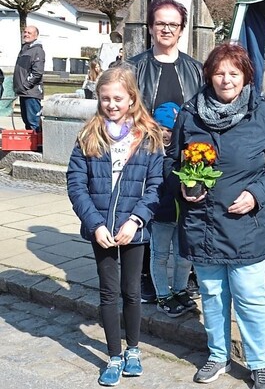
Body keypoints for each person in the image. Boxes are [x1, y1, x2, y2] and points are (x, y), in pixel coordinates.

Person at [165, 43, 265, 388]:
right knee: (212, 293)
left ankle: (257, 361)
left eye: (233, 73)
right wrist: (184, 185)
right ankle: (217, 355)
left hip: (245, 224)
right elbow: (172, 161)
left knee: (250, 295)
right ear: (209, 75)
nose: (226, 79)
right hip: (202, 223)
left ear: (245, 76)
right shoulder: (190, 113)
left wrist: (256, 194)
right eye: (219, 72)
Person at [66, 65, 165, 386]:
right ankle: (113, 354)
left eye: (118, 98)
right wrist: (94, 224)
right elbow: (76, 184)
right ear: (98, 99)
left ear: (132, 99)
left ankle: (133, 349)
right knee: (109, 293)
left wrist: (137, 220)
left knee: (132, 291)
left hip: (133, 228)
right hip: (102, 229)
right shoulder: (88, 135)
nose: (111, 104)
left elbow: (156, 186)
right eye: (105, 98)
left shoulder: (148, 138)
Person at [129, 0, 203, 304]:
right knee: (147, 214)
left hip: (185, 156)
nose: (166, 29)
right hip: (145, 153)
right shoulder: (133, 68)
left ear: (182, 29)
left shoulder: (196, 70)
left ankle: (188, 275)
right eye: (161, 23)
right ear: (150, 27)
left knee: (187, 213)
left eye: (173, 24)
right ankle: (145, 276)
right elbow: (122, 112)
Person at [150, 101, 196, 318]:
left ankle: (180, 289)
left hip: (182, 213)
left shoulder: (184, 151)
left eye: (171, 129)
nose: (167, 134)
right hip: (161, 213)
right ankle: (162, 295)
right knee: (159, 256)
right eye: (163, 129)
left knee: (183, 256)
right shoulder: (149, 152)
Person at [13, 25, 45, 132]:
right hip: (23, 92)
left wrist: (25, 86)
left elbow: (37, 72)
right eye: (25, 32)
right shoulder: (25, 49)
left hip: (31, 92)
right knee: (26, 121)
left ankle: (38, 146)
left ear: (36, 36)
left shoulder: (37, 50)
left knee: (33, 122)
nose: (26, 34)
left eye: (29, 33)